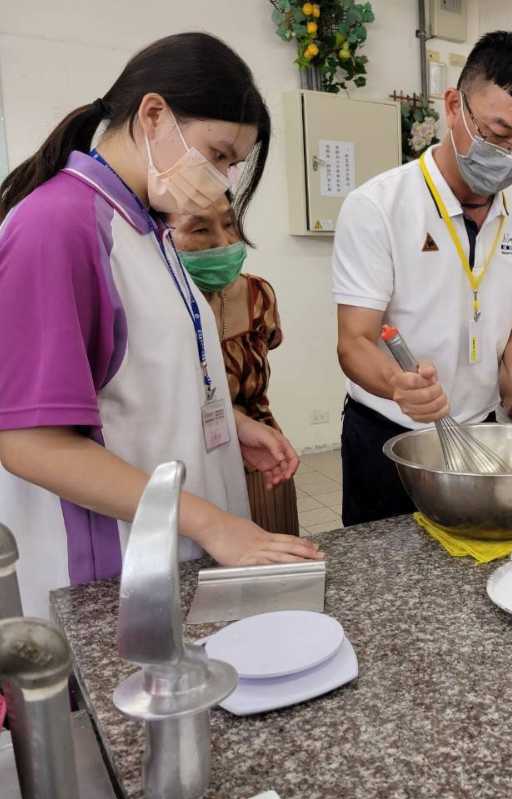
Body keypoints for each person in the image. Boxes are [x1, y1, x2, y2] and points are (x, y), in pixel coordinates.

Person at [0, 33, 320, 618]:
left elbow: (140, 379)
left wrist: (229, 421)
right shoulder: (60, 225)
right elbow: (28, 442)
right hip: (112, 571)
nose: (222, 177)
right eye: (218, 154)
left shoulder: (144, 222)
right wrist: (213, 523)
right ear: (154, 115)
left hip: (175, 550)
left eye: (232, 164)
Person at [333, 31, 512, 525]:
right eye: (497, 135)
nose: (509, 156)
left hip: (480, 430)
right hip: (390, 434)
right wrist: (397, 384)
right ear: (454, 105)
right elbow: (354, 341)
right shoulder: (378, 206)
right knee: (387, 579)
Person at [168, 196, 300, 536]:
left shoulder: (258, 295)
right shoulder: (157, 307)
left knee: (277, 560)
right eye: (200, 229)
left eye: (229, 224)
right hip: (189, 464)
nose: (224, 242)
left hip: (262, 457)